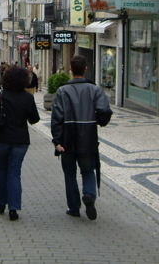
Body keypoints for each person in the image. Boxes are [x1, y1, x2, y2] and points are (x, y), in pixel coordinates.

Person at [51, 55, 112, 220]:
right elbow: (105, 111)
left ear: (71, 70)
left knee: (69, 174)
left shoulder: (62, 91)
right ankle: (89, 195)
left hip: (67, 141)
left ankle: (74, 207)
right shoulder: (94, 90)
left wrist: (57, 140)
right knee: (88, 171)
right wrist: (98, 121)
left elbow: (57, 118)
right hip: (88, 139)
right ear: (85, 69)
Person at [0, 66, 40, 221]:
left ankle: (0, 203)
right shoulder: (27, 98)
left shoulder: (0, 95)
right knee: (14, 172)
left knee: (1, 170)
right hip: (20, 140)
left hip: (1, 138)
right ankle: (13, 208)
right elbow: (35, 119)